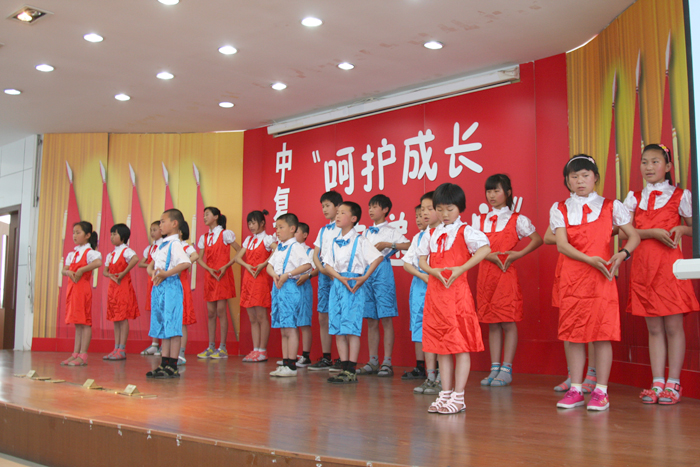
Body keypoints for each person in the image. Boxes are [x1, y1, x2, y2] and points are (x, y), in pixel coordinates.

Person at [550, 155, 639, 411]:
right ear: (567, 180)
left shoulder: (611, 206)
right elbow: (562, 245)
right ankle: (576, 389)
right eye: (574, 176)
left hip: (601, 278)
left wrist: (622, 255)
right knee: (574, 336)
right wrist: (590, 260)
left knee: (602, 334)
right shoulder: (560, 208)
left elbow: (633, 236)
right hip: (573, 280)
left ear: (596, 177)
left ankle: (601, 391)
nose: (580, 181)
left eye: (585, 175)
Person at [622, 144, 699, 405]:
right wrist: (651, 233)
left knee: (674, 327)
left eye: (655, 161)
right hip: (644, 269)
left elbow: (695, 228)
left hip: (671, 270)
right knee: (654, 328)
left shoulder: (681, 195)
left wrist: (682, 229)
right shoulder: (634, 198)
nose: (649, 167)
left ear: (668, 167)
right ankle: (657, 382)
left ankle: (674, 383)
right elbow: (621, 232)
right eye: (644, 162)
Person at [418, 183, 490, 414]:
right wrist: (433, 271)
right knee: (441, 347)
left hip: (457, 297)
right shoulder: (430, 233)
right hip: (436, 296)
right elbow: (421, 260)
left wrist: (461, 269)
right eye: (440, 209)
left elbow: (485, 249)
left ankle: (459, 396)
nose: (445, 214)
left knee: (460, 346)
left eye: (450, 209)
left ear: (460, 208)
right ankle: (445, 393)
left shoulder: (466, 231)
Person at [476, 174, 542, 386]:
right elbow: (473, 248)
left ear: (508, 192)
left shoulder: (517, 219)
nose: (492, 195)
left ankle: (507, 368)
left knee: (507, 321)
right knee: (492, 323)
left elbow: (537, 239)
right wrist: (489, 256)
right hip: (486, 276)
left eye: (496, 190)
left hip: (505, 275)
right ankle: (494, 367)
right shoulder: (480, 220)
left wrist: (516, 255)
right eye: (489, 191)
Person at [322, 202, 383, 384]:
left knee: (352, 328)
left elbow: (378, 257)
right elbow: (327, 265)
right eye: (338, 212)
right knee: (338, 328)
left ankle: (351, 370)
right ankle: (344, 368)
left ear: (354, 218)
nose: (338, 215)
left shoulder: (360, 240)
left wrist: (364, 277)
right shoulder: (333, 241)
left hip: (353, 284)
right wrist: (338, 278)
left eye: (342, 213)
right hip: (338, 284)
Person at [358, 194, 410, 377]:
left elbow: (409, 245)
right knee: (371, 320)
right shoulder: (365, 232)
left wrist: (389, 244)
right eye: (369, 207)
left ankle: (387, 362)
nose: (371, 210)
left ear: (385, 209)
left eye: (375, 207)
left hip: (383, 272)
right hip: (367, 273)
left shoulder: (390, 230)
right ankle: (373, 361)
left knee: (386, 318)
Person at [544, 226, 599, 394]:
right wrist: (570, 240)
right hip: (568, 266)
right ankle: (572, 376)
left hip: (591, 263)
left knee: (592, 322)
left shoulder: (597, 213)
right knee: (569, 323)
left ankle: (592, 374)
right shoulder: (563, 213)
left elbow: (615, 230)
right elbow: (547, 237)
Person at [403, 193, 442, 395]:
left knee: (440, 331)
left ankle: (443, 377)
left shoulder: (447, 234)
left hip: (441, 287)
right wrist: (423, 276)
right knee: (423, 331)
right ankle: (430, 376)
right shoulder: (419, 237)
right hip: (421, 287)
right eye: (422, 209)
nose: (424, 213)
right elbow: (407, 263)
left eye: (429, 209)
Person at [146, 209, 192, 379]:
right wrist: (153, 272)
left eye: (163, 221)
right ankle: (164, 363)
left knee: (173, 325)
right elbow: (151, 265)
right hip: (159, 288)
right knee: (164, 326)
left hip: (171, 286)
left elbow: (185, 262)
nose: (160, 225)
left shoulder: (175, 244)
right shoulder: (162, 245)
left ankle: (172, 365)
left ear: (174, 224)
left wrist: (166, 274)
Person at [267, 214, 312, 377]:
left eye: (281, 227)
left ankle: (291, 365)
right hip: (278, 287)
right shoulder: (280, 247)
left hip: (291, 287)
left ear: (292, 229)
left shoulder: (296, 247)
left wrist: (289, 274)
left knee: (291, 326)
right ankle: (285, 362)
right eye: (276, 228)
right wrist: (274, 274)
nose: (277, 231)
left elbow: (307, 265)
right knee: (283, 328)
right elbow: (269, 265)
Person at [196, 207, 240, 359]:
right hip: (210, 277)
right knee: (211, 313)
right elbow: (199, 258)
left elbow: (240, 250)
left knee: (221, 311)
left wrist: (226, 266)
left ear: (216, 217)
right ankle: (211, 347)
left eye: (207, 214)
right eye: (204, 215)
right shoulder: (204, 237)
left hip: (222, 276)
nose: (204, 217)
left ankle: (223, 348)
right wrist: (208, 269)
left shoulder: (225, 234)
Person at [308, 191, 344, 371]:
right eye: (323, 206)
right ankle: (326, 356)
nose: (324, 209)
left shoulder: (344, 228)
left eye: (328, 205)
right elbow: (316, 253)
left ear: (338, 207)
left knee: (339, 314)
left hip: (338, 275)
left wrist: (332, 271)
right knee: (323, 315)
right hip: (324, 274)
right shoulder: (323, 230)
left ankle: (343, 358)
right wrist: (321, 269)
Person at [235, 210, 276, 363]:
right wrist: (247, 265)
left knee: (261, 316)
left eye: (254, 223)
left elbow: (277, 250)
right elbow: (238, 258)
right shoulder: (248, 240)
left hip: (260, 280)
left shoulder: (267, 239)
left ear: (262, 223)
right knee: (252, 317)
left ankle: (262, 350)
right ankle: (256, 349)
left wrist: (264, 264)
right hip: (248, 279)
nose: (251, 226)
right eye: (249, 223)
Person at [60, 221, 103, 367]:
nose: (75, 235)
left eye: (78, 233)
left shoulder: (90, 252)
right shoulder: (72, 253)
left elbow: (98, 263)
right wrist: (68, 272)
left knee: (85, 323)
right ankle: (75, 353)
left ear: (87, 235)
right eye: (73, 232)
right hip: (72, 290)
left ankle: (83, 354)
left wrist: (82, 270)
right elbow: (64, 269)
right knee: (77, 323)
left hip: (82, 290)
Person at [102, 223, 140, 361]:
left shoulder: (126, 251)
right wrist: (109, 275)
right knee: (115, 319)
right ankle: (116, 348)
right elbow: (104, 271)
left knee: (122, 318)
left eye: (115, 234)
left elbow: (135, 259)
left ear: (123, 237)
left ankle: (122, 349)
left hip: (123, 288)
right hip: (113, 289)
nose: (112, 237)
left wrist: (123, 273)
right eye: (111, 234)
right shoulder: (111, 254)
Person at [138, 221, 163, 356]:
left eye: (155, 230)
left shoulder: (164, 245)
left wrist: (153, 266)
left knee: (163, 312)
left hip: (160, 280)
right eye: (151, 230)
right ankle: (154, 343)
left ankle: (164, 344)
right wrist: (150, 266)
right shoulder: (150, 248)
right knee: (154, 312)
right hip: (151, 281)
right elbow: (141, 263)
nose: (152, 233)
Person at [294, 222, 316, 367]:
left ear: (305, 235)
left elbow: (316, 268)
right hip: (290, 288)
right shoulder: (289, 249)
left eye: (296, 231)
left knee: (304, 322)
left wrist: (307, 276)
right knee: (292, 323)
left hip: (303, 287)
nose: (294, 234)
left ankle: (306, 356)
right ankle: (292, 355)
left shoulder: (310, 251)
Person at [178, 220, 199, 365]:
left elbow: (195, 256)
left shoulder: (185, 246)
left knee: (182, 322)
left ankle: (181, 353)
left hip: (181, 285)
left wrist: (184, 264)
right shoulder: (169, 245)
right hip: (170, 285)